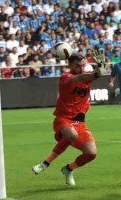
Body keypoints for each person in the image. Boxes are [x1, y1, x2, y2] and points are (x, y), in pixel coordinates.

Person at [31, 53, 106, 187]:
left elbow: (100, 73)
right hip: (63, 120)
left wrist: (102, 64)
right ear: (70, 65)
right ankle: (45, 163)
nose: (81, 68)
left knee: (91, 153)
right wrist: (97, 70)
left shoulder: (86, 75)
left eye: (83, 65)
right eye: (78, 66)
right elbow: (83, 76)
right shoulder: (65, 77)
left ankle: (68, 169)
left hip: (80, 123)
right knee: (71, 134)